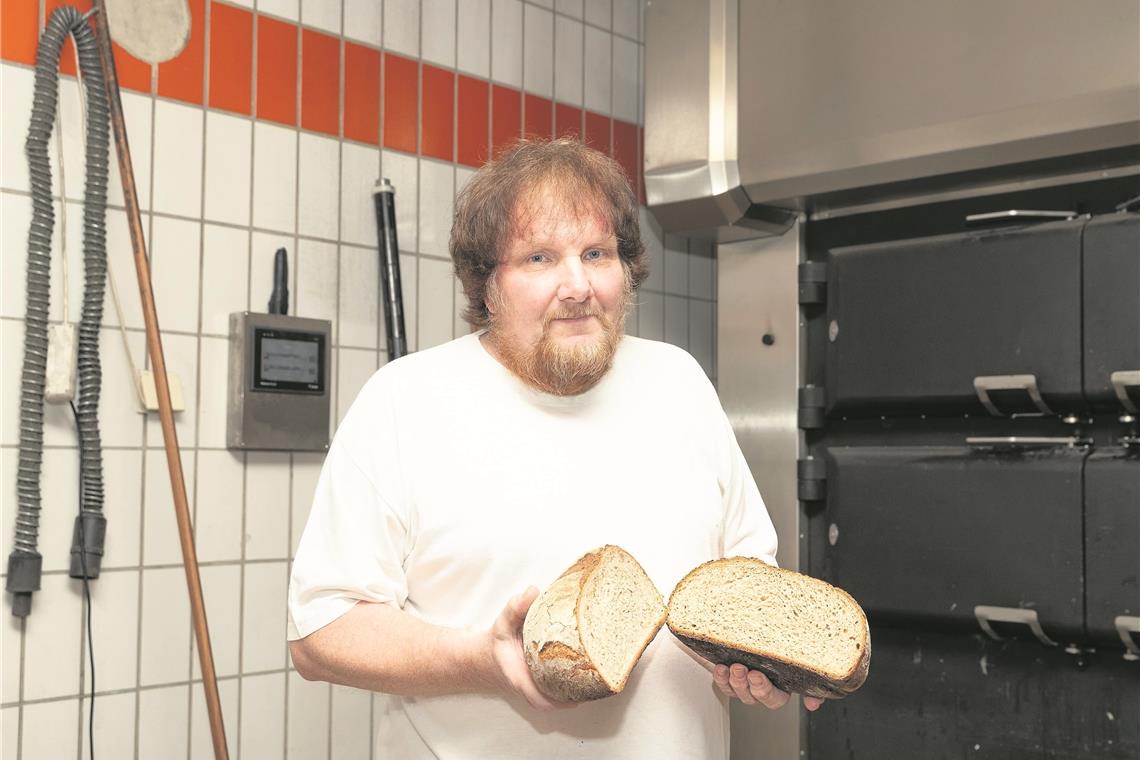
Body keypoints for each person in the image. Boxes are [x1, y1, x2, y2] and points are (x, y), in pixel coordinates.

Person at [287, 138, 823, 758]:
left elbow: (744, 575)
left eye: (596, 253)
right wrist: (484, 661)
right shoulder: (404, 402)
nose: (577, 285)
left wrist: (761, 660)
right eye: (540, 257)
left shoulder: (679, 382)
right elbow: (319, 632)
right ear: (487, 283)